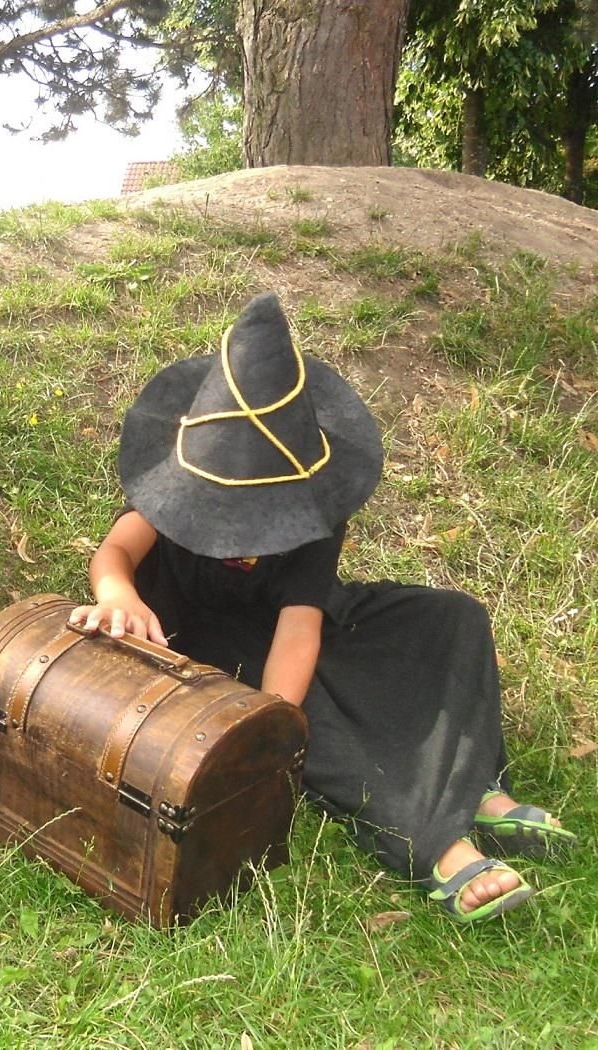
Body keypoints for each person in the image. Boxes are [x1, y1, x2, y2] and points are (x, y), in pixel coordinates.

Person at [69, 291, 576, 923]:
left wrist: (271, 717)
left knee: (453, 620)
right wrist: (117, 594)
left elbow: (300, 630)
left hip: (292, 629)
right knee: (319, 716)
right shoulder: (181, 480)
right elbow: (116, 552)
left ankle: (477, 788)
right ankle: (438, 845)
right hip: (204, 643)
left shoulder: (313, 506)